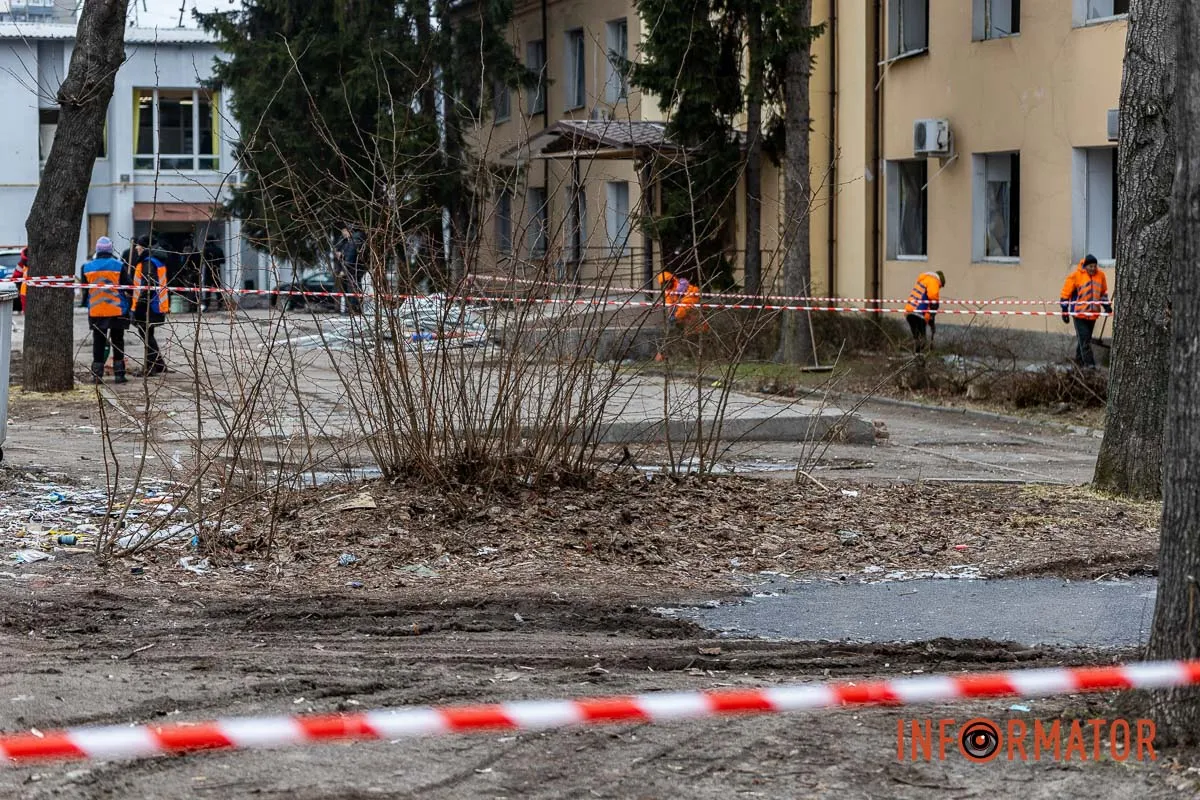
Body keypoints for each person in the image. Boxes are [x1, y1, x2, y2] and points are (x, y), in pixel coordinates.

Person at [81, 236, 130, 384]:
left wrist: (85, 303)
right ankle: (119, 374)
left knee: (99, 343)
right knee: (118, 341)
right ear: (110, 250)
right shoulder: (119, 266)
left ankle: (97, 375)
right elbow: (128, 285)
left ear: (97, 250)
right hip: (117, 310)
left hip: (97, 311)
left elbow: (85, 290)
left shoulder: (86, 267)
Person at [1060, 254, 1113, 369]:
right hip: (1079, 314)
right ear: (1085, 266)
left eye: (1095, 266)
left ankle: (1078, 364)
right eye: (1091, 266)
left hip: (1093, 315)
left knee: (1084, 340)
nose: (1093, 269)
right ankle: (1090, 367)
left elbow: (1103, 293)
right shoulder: (1076, 276)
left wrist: (1106, 306)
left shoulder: (1101, 276)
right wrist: (1064, 310)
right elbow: (1065, 293)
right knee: (1085, 341)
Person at [130, 235, 170, 376]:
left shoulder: (148, 262)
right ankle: (159, 365)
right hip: (155, 305)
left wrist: (139, 307)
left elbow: (148, 285)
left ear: (145, 247)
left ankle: (150, 368)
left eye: (139, 245)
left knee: (146, 336)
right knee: (148, 335)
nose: (136, 247)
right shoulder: (155, 260)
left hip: (148, 306)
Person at [904, 270, 945, 353]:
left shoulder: (924, 280)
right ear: (940, 281)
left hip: (910, 312)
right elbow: (933, 297)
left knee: (917, 337)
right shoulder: (933, 280)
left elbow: (928, 303)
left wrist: (931, 321)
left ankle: (916, 356)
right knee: (923, 338)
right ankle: (920, 357)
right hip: (919, 312)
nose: (938, 288)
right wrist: (933, 314)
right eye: (940, 286)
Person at [334, 223, 365, 314]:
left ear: (349, 231)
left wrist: (344, 270)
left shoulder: (354, 240)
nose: (343, 234)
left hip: (352, 269)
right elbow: (343, 251)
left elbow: (350, 255)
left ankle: (354, 309)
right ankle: (351, 308)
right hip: (351, 269)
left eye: (344, 231)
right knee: (350, 288)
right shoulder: (347, 240)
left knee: (353, 288)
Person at [201, 234, 225, 311]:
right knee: (218, 290)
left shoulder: (205, 250)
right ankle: (220, 306)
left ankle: (206, 307)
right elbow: (223, 261)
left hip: (208, 272)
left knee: (207, 291)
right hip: (216, 271)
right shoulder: (219, 250)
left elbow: (203, 261)